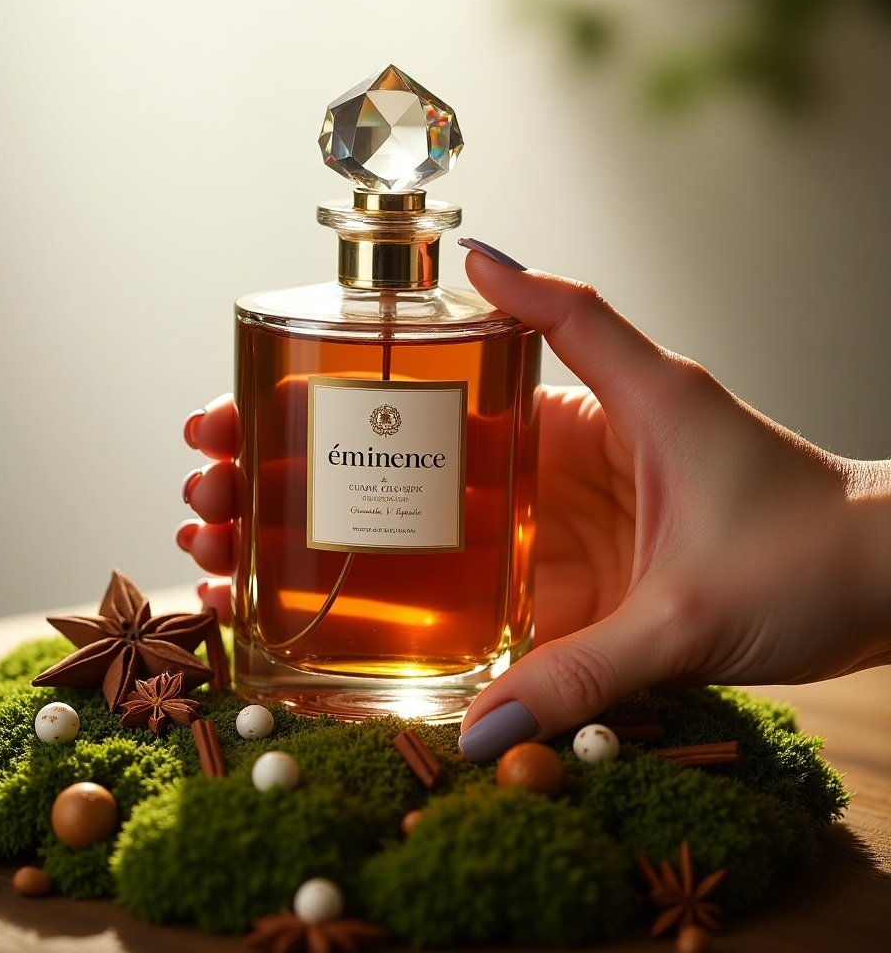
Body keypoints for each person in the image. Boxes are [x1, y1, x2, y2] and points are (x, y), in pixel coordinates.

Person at [178, 240, 891, 763]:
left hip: (467, 657)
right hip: (289, 656)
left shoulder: (484, 328)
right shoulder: (280, 323)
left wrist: (850, 537)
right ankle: (288, 660)